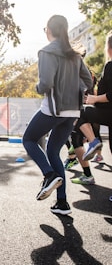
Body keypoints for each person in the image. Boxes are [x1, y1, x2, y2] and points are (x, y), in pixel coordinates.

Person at [22, 15, 93, 215]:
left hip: (54, 109)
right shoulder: (75, 55)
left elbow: (45, 84)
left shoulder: (46, 51)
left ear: (49, 30)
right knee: (53, 152)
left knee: (28, 139)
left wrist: (37, 87)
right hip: (72, 112)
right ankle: (62, 203)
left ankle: (49, 174)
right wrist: (76, 94)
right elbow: (88, 82)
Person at [76, 31, 112, 161]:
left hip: (108, 113)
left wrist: (95, 99)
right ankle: (92, 141)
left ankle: (93, 142)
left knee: (80, 112)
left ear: (109, 47)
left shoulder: (110, 66)